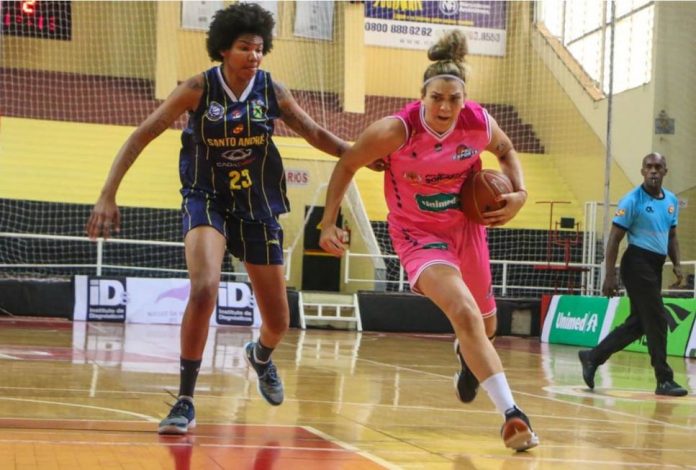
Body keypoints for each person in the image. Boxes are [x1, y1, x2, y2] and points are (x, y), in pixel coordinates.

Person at [86, 3, 352, 434]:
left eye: (260, 48)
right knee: (205, 287)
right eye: (245, 47)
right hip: (205, 198)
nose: (254, 55)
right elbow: (142, 134)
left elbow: (316, 133)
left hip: (257, 203)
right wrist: (107, 193)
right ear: (224, 49)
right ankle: (185, 400)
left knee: (278, 322)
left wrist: (359, 154)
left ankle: (260, 356)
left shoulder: (272, 90)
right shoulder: (198, 88)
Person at [318, 30, 538, 452]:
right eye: (437, 98)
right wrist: (328, 223)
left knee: (487, 326)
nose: (445, 107)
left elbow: (507, 150)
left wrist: (520, 194)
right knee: (464, 311)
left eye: (454, 99)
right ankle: (513, 416)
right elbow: (347, 164)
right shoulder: (395, 131)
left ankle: (468, 361)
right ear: (422, 96)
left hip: (466, 229)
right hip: (418, 235)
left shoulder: (477, 122)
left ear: (465, 99)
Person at [578, 153, 688, 397]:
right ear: (642, 171)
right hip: (636, 262)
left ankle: (592, 357)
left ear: (665, 171)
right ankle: (664, 379)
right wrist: (609, 275)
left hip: (655, 265)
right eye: (649, 166)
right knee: (658, 319)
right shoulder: (631, 200)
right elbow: (614, 239)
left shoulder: (671, 200)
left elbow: (671, 236)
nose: (653, 171)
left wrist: (677, 264)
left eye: (658, 167)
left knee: (639, 324)